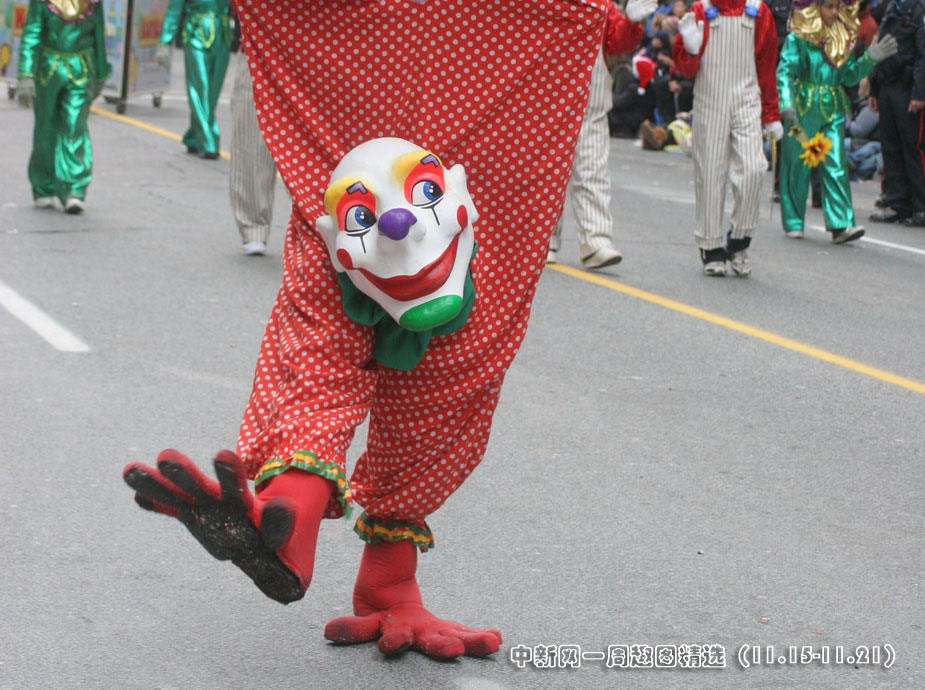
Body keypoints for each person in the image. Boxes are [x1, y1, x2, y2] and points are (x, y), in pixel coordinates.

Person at [123, 0, 616, 662]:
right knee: (344, 280)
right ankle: (289, 522)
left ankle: (359, 562)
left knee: (446, 332)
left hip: (492, 49)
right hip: (374, 49)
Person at [672, 0, 784, 276]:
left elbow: (767, 66)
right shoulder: (701, 10)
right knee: (710, 172)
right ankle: (711, 247)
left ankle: (740, 238)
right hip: (710, 99)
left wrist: (771, 113)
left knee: (754, 167)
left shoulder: (758, 11)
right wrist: (689, 50)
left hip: (747, 99)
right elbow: (685, 70)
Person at [777, 0, 898, 242]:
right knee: (797, 164)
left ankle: (841, 224)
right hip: (801, 110)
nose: (834, 12)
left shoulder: (843, 37)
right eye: (829, 7)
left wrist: (869, 59)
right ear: (816, 7)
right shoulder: (798, 38)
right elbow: (785, 72)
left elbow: (850, 77)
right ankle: (793, 221)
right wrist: (787, 103)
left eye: (837, 7)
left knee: (836, 164)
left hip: (832, 109)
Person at [548, 0, 655, 269]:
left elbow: (618, 44)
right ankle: (543, 240)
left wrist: (631, 23)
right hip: (549, 103)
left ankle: (596, 240)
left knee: (594, 171)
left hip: (592, 105)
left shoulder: (601, 4)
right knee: (548, 173)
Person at [16, 0, 107, 214]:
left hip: (81, 68)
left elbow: (98, 35)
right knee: (45, 127)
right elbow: (32, 33)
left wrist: (101, 74)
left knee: (75, 125)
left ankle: (74, 188)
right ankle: (43, 185)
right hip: (48, 69)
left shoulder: (93, 3)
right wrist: (26, 74)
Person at [868, 0, 925, 226]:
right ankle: (898, 203)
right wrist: (874, 88)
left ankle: (921, 205)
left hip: (908, 87)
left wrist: (920, 92)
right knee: (891, 147)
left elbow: (923, 54)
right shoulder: (892, 6)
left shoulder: (919, 8)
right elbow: (879, 47)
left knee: (913, 147)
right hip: (887, 84)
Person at [157, 0, 232, 159]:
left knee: (213, 92)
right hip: (196, 32)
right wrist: (165, 40)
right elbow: (174, 8)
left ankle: (193, 136)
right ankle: (208, 141)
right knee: (200, 87)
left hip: (223, 33)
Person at [229, 50, 278, 256]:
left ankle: (321, 227)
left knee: (314, 150)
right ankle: (254, 228)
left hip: (316, 50)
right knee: (252, 140)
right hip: (261, 49)